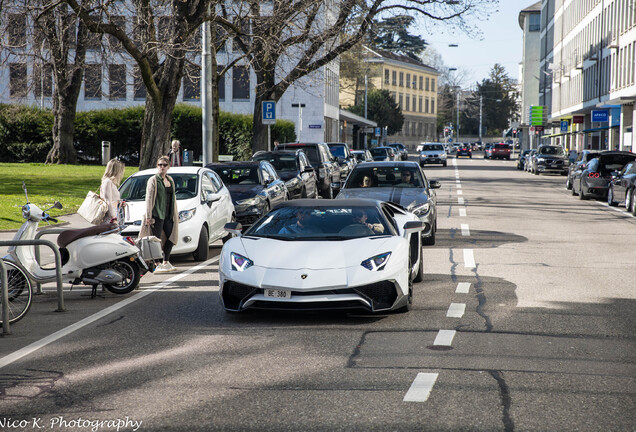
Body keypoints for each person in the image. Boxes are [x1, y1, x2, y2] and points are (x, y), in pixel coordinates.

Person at [139, 156, 179, 273]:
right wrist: (148, 216)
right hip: (157, 214)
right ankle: (157, 263)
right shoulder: (153, 180)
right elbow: (149, 198)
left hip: (169, 215)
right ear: (157, 166)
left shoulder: (170, 180)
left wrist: (176, 214)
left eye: (164, 165)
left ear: (168, 167)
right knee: (155, 240)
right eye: (160, 165)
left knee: (171, 237)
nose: (162, 167)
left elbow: (173, 198)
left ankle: (166, 261)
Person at [100, 158, 126, 224]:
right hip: (110, 217)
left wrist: (120, 204)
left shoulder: (111, 183)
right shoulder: (107, 182)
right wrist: (113, 218)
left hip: (115, 214)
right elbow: (108, 201)